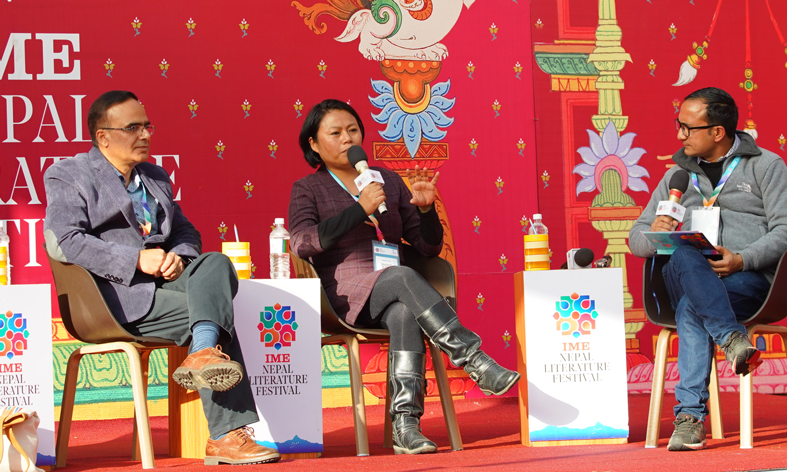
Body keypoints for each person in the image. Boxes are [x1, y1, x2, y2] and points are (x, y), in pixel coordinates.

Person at [43, 90, 279, 466]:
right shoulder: (69, 174)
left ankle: (202, 354)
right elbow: (68, 241)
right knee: (214, 313)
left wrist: (177, 258)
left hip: (165, 282)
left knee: (215, 263)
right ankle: (225, 435)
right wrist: (136, 259)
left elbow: (186, 233)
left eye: (147, 126)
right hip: (113, 297)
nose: (145, 135)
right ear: (103, 136)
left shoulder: (154, 176)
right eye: (133, 128)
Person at [288, 99, 520, 455]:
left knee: (403, 312)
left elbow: (427, 246)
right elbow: (302, 242)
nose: (348, 138)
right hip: (343, 296)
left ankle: (406, 426)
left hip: (395, 291)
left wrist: (426, 211)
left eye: (353, 130)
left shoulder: (388, 180)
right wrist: (359, 209)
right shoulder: (308, 188)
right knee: (400, 276)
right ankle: (474, 360)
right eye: (335, 133)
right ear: (314, 144)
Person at [629, 87, 787, 452]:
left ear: (717, 131)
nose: (680, 135)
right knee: (684, 254)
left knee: (692, 307)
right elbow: (636, 241)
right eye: (678, 125)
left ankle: (690, 419)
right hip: (685, 276)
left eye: (687, 127)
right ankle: (732, 339)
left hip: (747, 280)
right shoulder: (677, 176)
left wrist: (743, 259)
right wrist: (654, 232)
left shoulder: (766, 166)